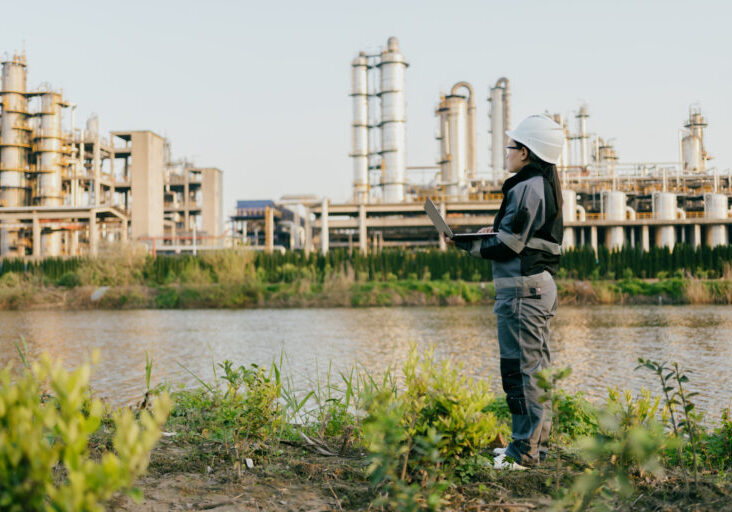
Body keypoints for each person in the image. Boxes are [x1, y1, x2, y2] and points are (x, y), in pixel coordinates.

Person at [450, 114, 565, 470]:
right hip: (535, 287)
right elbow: (522, 237)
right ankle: (533, 446)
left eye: (512, 146)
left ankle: (524, 453)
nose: (507, 151)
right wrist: (495, 231)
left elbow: (510, 246)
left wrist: (464, 244)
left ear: (526, 153)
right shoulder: (540, 183)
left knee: (520, 372)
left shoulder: (525, 187)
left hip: (522, 292)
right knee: (536, 371)